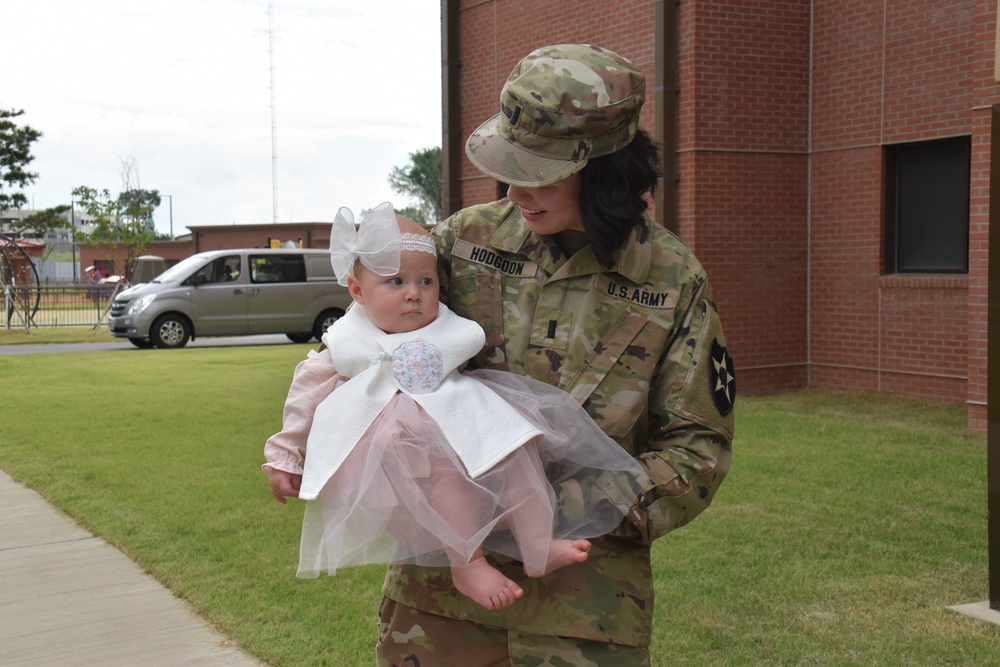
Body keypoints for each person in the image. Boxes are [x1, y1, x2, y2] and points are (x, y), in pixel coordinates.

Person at [375, 44, 735, 666]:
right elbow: (369, 339)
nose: (515, 190)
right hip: (436, 602)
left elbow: (697, 452)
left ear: (606, 170)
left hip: (584, 614)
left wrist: (544, 510)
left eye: (539, 172)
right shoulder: (462, 242)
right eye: (509, 167)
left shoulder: (673, 281)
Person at [263, 202, 645, 610]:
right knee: (451, 482)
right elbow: (305, 397)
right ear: (358, 291)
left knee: (516, 447)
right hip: (398, 438)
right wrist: (287, 455)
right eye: (395, 282)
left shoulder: (445, 325)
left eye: (426, 281)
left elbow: (463, 350)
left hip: (461, 411)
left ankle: (538, 543)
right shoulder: (345, 338)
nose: (414, 294)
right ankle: (467, 563)